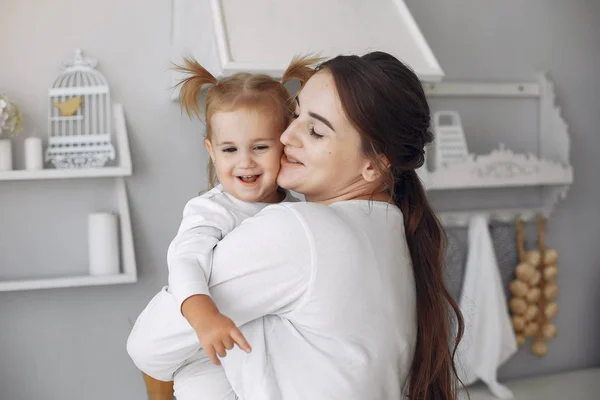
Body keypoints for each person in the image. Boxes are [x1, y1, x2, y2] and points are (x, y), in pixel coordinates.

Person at [132, 51, 464, 400]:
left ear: (374, 165)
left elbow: (148, 346)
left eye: (316, 131)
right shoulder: (393, 231)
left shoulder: (297, 230)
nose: (286, 136)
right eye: (295, 114)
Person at [127, 56, 317, 399]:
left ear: (284, 146)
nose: (245, 161)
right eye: (230, 149)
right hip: (204, 353)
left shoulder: (296, 211)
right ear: (212, 152)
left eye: (260, 147)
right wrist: (204, 317)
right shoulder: (212, 209)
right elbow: (185, 260)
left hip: (255, 346)